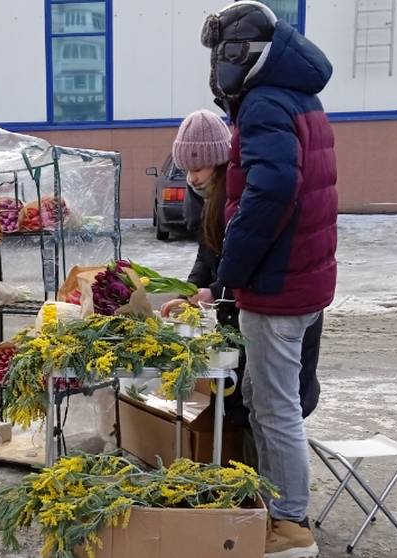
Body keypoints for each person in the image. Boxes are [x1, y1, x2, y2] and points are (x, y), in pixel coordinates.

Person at [194, 2, 338, 557]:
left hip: (278, 285)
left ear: (240, 57)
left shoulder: (264, 103)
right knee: (262, 397)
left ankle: (292, 525)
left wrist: (229, 274)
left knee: (275, 407)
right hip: (301, 276)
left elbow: (271, 192)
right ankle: (275, 505)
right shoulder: (298, 95)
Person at [160, 110, 322, 445]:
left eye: (198, 168)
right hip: (238, 312)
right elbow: (208, 253)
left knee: (270, 412)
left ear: (220, 162)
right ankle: (247, 480)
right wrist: (189, 291)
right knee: (243, 404)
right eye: (186, 169)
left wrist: (215, 292)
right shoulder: (209, 198)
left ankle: (267, 488)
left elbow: (253, 260)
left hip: (271, 310)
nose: (191, 178)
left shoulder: (242, 197)